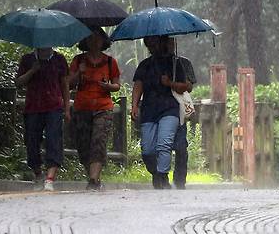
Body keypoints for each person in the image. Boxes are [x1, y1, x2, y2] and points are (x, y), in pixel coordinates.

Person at [131, 35, 189, 189]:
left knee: (164, 144)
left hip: (170, 108)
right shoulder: (145, 65)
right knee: (148, 149)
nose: (152, 46)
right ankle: (156, 172)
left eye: (155, 42)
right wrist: (134, 105)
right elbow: (138, 85)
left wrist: (169, 83)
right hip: (149, 109)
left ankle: (162, 176)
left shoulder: (176, 64)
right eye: (149, 43)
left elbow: (185, 86)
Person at [68, 27, 121, 190]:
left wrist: (108, 86)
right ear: (85, 41)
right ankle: (94, 178)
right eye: (90, 38)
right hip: (82, 107)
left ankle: (92, 180)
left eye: (97, 38)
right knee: (83, 145)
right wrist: (79, 73)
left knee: (99, 141)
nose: (94, 41)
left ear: (103, 40)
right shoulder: (78, 61)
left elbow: (117, 85)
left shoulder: (110, 62)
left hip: (103, 107)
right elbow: (69, 83)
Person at [15, 46, 70, 191]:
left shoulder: (59, 59)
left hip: (54, 107)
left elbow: (64, 84)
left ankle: (50, 178)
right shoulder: (28, 59)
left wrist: (67, 108)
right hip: (33, 107)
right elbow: (18, 82)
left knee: (54, 140)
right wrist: (32, 70)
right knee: (32, 141)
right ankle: (38, 174)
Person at [163, 37, 196, 189]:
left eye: (171, 43)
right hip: (161, 109)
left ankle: (179, 180)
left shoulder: (183, 63)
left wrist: (172, 83)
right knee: (163, 146)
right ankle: (161, 177)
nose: (169, 46)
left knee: (181, 146)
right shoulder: (155, 64)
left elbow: (189, 86)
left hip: (179, 110)